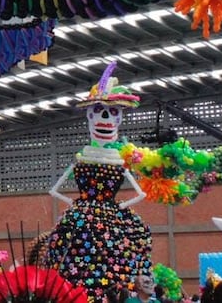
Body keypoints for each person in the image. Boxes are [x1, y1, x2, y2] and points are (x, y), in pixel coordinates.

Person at [46, 63, 150, 300]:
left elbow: (54, 191)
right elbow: (54, 190)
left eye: (112, 112)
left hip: (85, 211)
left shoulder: (119, 162)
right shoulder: (82, 161)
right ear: (90, 115)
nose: (105, 117)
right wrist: (116, 208)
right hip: (97, 212)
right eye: (100, 111)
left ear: (119, 118)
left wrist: (78, 205)